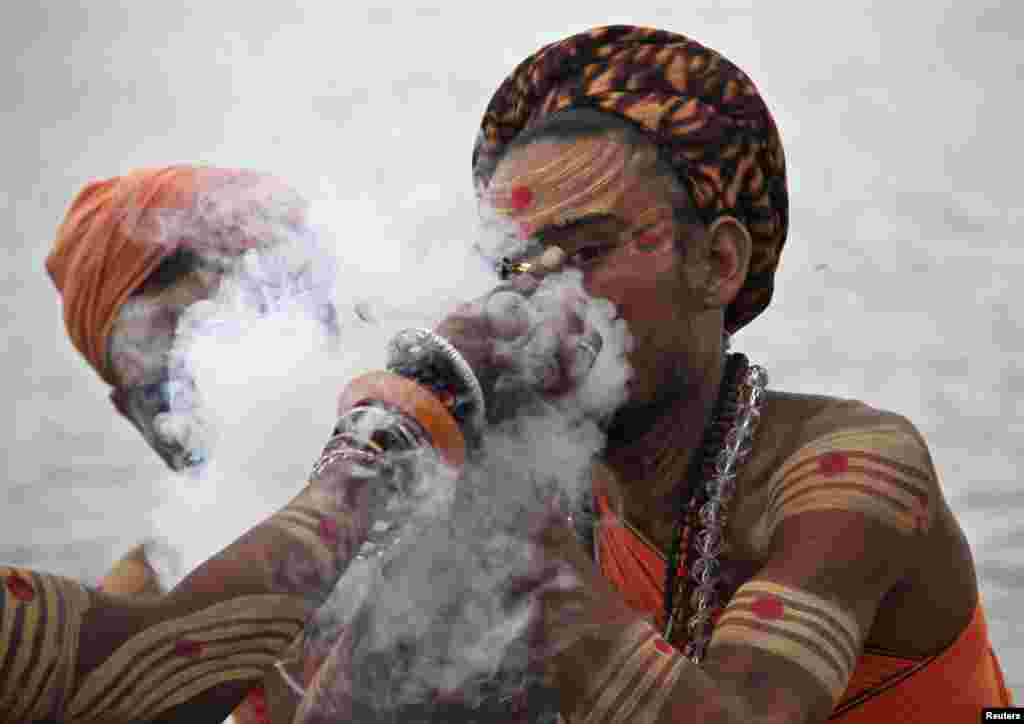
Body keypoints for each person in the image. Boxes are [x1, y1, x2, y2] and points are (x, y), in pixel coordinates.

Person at [296, 24, 1013, 723]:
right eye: (515, 268)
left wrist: (504, 520)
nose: (536, 300)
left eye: (588, 250)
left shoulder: (855, 470)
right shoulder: (562, 501)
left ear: (718, 264)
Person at [7, 165, 339, 724]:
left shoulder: (503, 476)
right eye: (163, 386)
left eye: (230, 349)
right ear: (132, 415)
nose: (195, 408)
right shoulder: (141, 619)